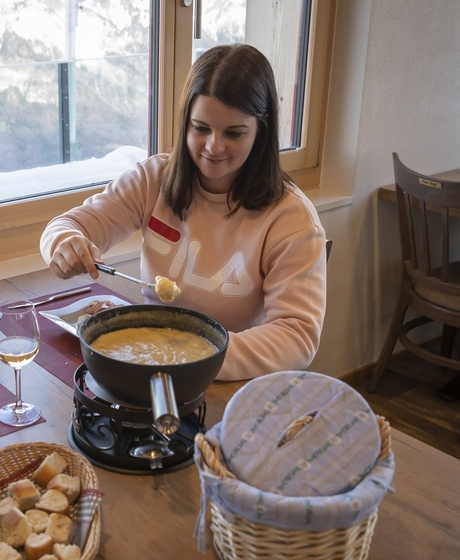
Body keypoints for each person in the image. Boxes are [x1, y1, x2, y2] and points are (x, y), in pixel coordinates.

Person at [40, 44, 326, 381]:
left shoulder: (291, 219)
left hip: (229, 382)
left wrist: (192, 354)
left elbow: (297, 337)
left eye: (233, 133)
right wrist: (64, 242)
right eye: (201, 128)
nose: (213, 147)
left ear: (261, 130)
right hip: (153, 363)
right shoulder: (152, 180)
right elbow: (69, 225)